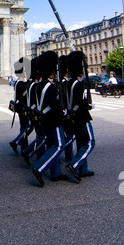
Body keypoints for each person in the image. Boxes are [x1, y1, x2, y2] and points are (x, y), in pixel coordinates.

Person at [31, 51, 67, 186]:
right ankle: (39, 167)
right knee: (58, 145)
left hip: (44, 119)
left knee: (52, 145)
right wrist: (62, 110)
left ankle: (56, 173)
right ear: (51, 72)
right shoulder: (51, 87)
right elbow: (53, 104)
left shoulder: (40, 85)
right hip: (53, 119)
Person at [64, 51, 95, 181]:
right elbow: (79, 101)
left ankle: (84, 169)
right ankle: (74, 164)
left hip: (73, 117)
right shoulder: (78, 84)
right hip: (82, 117)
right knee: (89, 142)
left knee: (81, 142)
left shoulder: (68, 83)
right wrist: (88, 105)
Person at [9, 57, 29, 155]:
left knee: (24, 127)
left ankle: (22, 145)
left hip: (20, 107)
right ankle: (18, 143)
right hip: (23, 108)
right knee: (26, 127)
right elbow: (23, 97)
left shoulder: (19, 81)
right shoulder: (22, 82)